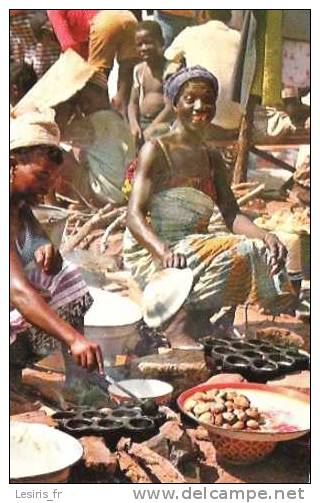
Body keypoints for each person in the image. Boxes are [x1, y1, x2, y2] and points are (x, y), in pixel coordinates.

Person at [123, 66, 293, 347]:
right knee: (241, 249)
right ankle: (175, 326)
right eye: (190, 99)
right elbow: (133, 215)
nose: (200, 107)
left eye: (208, 100)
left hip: (195, 242)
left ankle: (201, 318)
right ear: (174, 103)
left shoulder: (211, 156)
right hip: (155, 245)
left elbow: (231, 213)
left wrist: (265, 235)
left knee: (260, 249)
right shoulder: (156, 150)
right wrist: (163, 251)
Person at [10, 108, 104, 382]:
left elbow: (48, 254)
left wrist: (45, 248)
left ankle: (80, 382)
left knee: (68, 274)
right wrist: (74, 339)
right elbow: (18, 293)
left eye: (52, 177)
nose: (48, 186)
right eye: (41, 176)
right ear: (11, 164)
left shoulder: (19, 203)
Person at [58, 74, 135, 207]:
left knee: (55, 154)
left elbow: (57, 132)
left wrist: (68, 107)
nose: (84, 106)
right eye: (80, 101)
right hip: (123, 192)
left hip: (107, 195)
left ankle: (59, 203)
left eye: (87, 99)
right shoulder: (115, 119)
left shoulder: (95, 122)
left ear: (102, 94)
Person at [47, 10, 138, 116]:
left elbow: (69, 46)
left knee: (96, 84)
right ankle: (124, 121)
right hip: (127, 16)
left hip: (105, 21)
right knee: (126, 78)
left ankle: (102, 120)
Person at [165, 10, 243, 133]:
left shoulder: (189, 33)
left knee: (174, 69)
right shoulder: (239, 37)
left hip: (204, 118)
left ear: (203, 13)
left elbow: (169, 59)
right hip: (237, 120)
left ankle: (171, 112)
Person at [128, 21, 173, 147]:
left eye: (148, 42)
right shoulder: (139, 70)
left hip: (164, 123)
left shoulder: (169, 70)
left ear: (162, 43)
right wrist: (134, 125)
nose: (144, 48)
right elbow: (133, 103)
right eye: (139, 45)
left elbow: (170, 108)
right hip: (142, 122)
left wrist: (151, 129)